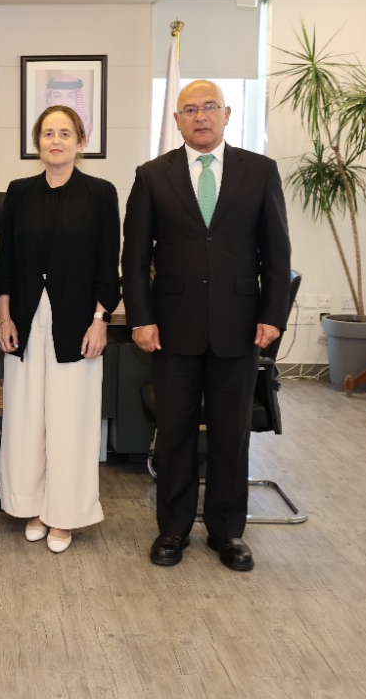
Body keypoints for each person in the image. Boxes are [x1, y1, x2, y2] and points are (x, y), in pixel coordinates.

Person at [122, 79, 292, 572]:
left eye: (209, 107)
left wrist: (273, 314)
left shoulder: (260, 171)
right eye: (190, 109)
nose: (200, 116)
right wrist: (141, 318)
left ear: (227, 113)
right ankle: (172, 529)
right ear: (177, 120)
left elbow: (277, 252)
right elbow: (135, 257)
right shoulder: (153, 175)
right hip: (172, 329)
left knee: (230, 434)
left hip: (239, 327)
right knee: (174, 433)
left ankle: (227, 532)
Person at [0, 105, 120, 554]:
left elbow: (108, 265)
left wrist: (101, 321)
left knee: (71, 421)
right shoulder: (19, 192)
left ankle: (64, 513)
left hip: (78, 324)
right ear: (37, 142)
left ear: (80, 142)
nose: (56, 141)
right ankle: (32, 505)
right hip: (25, 321)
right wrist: (5, 317)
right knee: (26, 419)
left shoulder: (100, 193)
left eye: (65, 133)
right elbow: (5, 264)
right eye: (48, 133)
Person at [43, 74, 93, 147]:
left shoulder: (86, 126)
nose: (64, 102)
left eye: (70, 96)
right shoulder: (43, 124)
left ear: (77, 99)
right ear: (50, 99)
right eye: (58, 96)